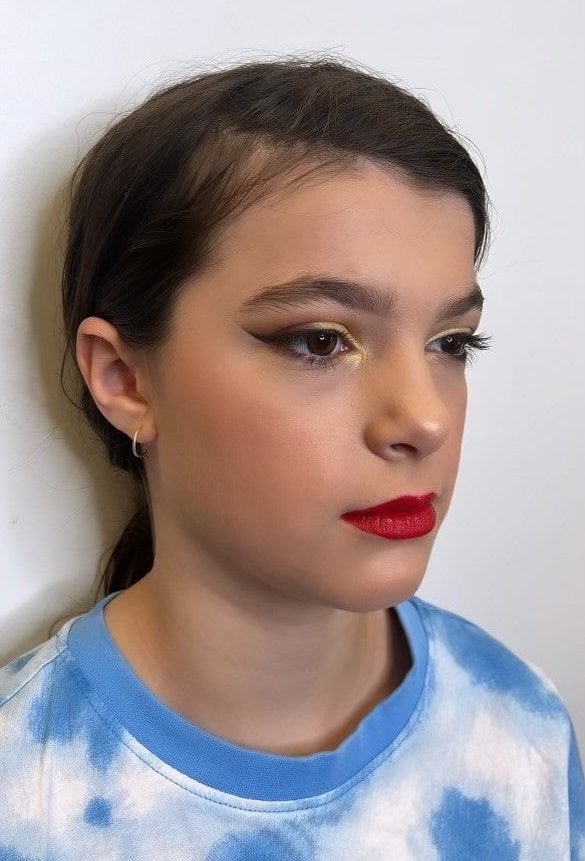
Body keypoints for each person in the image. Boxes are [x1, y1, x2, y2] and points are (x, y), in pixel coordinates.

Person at [1, 55, 583, 858]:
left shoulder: (519, 730)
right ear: (125, 378)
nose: (423, 419)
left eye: (450, 342)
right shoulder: (24, 796)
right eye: (320, 341)